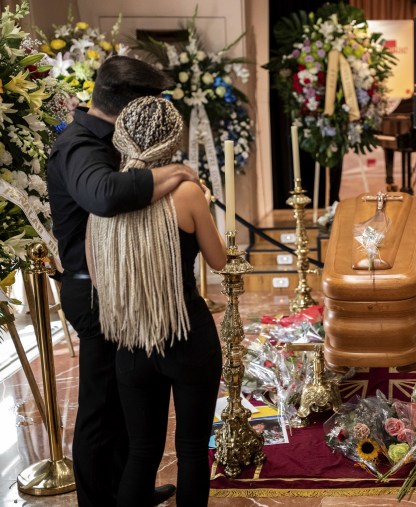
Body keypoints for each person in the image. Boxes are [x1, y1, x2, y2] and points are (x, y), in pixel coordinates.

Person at [47, 56, 199, 506]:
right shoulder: (79, 145)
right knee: (101, 407)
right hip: (91, 292)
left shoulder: (107, 140)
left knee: (125, 402)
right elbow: (105, 195)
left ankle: (123, 491)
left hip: (115, 287)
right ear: (132, 105)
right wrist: (173, 173)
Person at [87, 96, 226, 506]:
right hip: (187, 335)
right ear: (172, 141)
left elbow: (99, 279)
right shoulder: (186, 192)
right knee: (191, 451)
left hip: (132, 343)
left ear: (122, 137)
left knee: (142, 453)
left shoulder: (103, 200)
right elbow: (218, 261)